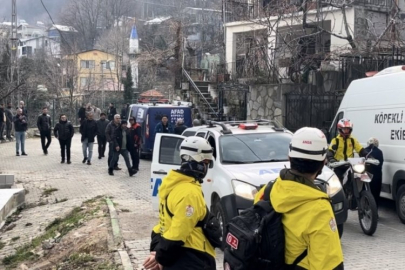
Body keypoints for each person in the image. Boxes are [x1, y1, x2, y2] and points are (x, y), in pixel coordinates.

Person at [254, 127, 344, 270]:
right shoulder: (319, 209)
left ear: (290, 158)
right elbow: (329, 264)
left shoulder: (268, 190)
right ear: (322, 164)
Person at [143, 136, 215, 270]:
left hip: (175, 256)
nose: (206, 167)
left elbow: (164, 223)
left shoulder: (172, 183)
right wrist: (160, 257)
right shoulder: (189, 192)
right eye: (206, 162)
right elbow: (179, 232)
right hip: (192, 258)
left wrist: (158, 252)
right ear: (197, 161)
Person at [327, 118, 368, 183]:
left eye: (348, 129)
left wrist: (368, 155)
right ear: (340, 129)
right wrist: (331, 159)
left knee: (359, 175)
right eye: (344, 129)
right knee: (337, 181)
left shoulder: (352, 140)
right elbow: (330, 151)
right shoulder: (335, 140)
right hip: (338, 165)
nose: (346, 131)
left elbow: (360, 149)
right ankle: (339, 191)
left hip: (350, 165)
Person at [365, 137, 384, 208]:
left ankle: (366, 208)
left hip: (366, 175)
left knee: (366, 192)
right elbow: (380, 164)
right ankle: (375, 212)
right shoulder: (379, 152)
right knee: (375, 194)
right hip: (377, 176)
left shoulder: (364, 150)